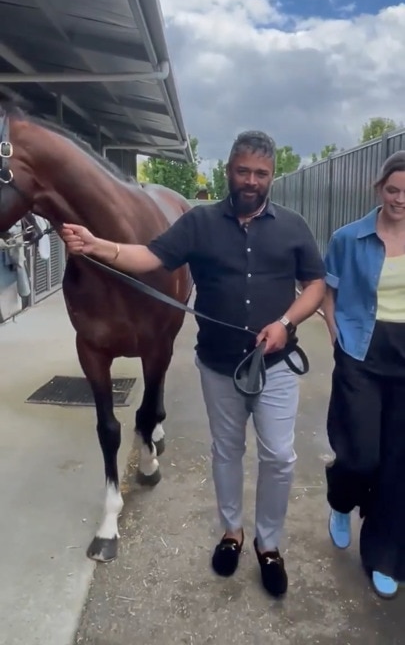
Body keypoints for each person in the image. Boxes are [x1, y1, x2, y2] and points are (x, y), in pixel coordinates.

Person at [60, 130, 325, 598]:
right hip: (219, 365)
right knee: (226, 451)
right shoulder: (199, 222)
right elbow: (148, 256)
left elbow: (316, 286)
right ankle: (231, 533)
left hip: (276, 364)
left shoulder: (294, 227)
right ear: (228, 170)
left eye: (260, 173)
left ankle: (268, 543)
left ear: (272, 177)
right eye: (243, 170)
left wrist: (285, 321)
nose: (251, 180)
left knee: (279, 457)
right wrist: (97, 245)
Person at [322, 150, 405, 599]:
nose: (400, 199)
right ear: (379, 189)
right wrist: (336, 333)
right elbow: (327, 292)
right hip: (360, 349)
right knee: (360, 455)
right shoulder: (348, 238)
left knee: (399, 464)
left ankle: (384, 555)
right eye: (393, 190)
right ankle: (340, 501)